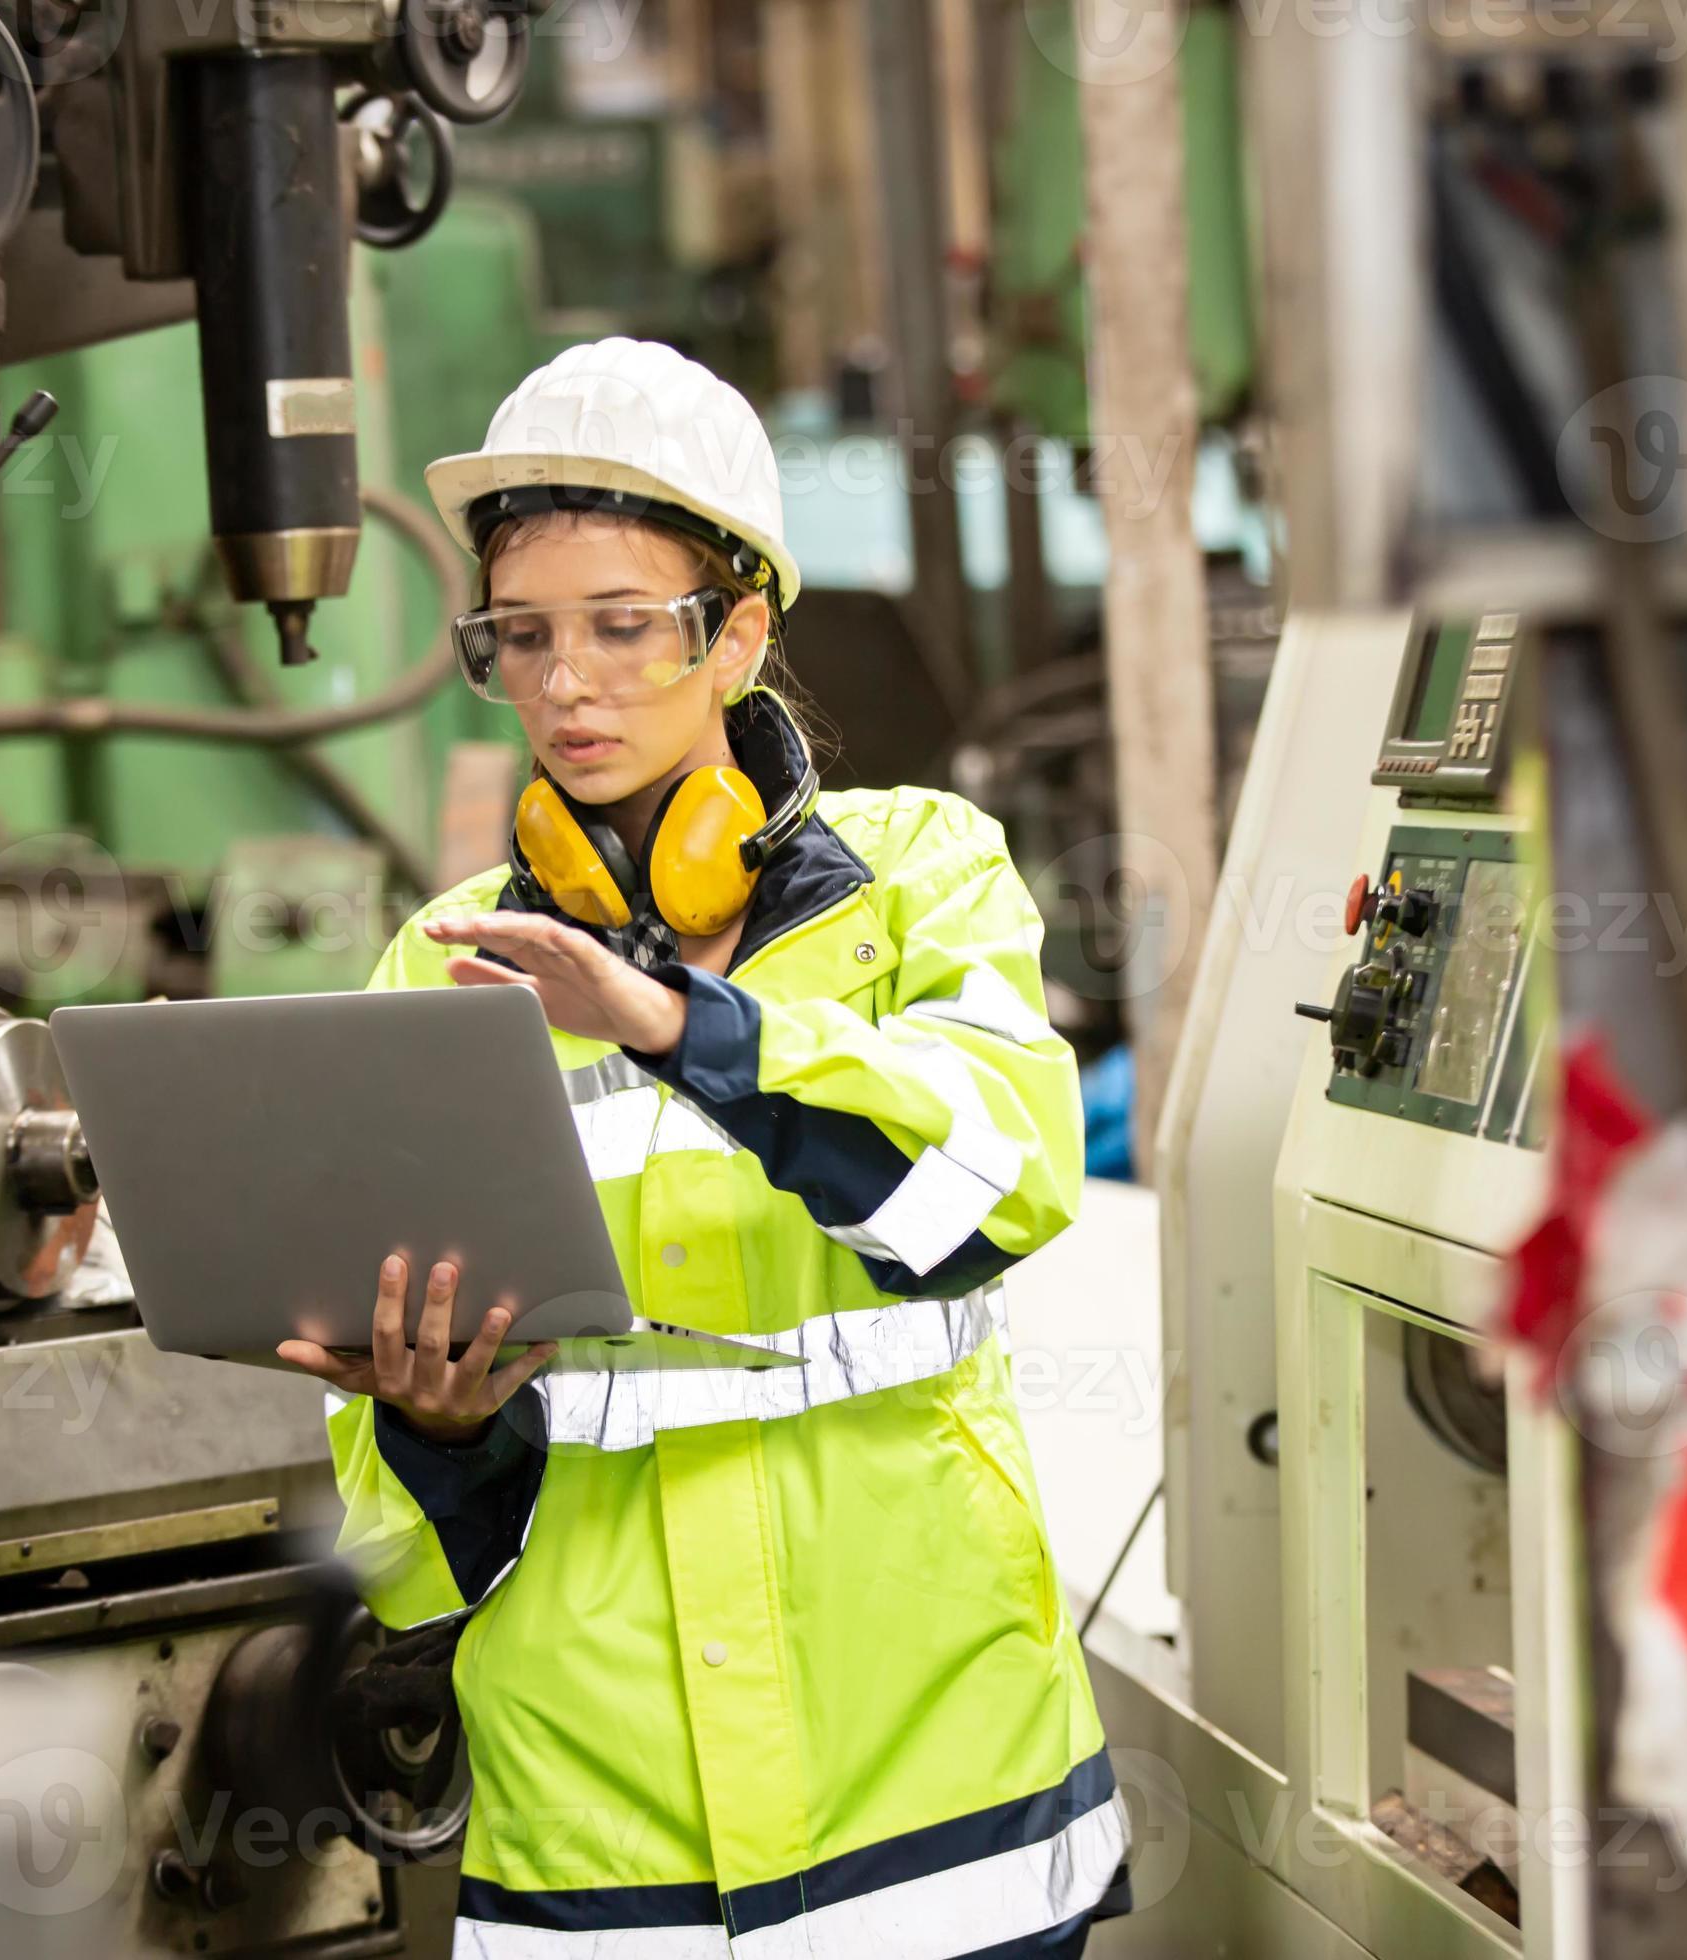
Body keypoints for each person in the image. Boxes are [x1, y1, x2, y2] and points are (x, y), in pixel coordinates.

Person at [278, 338, 1125, 1957]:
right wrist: (438, 1430)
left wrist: (689, 1029)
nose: (564, 684)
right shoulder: (447, 965)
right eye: (519, 638)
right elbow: (401, 1537)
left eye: (621, 629)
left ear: (738, 635)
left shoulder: (922, 878)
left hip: (937, 1807)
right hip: (607, 1848)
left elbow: (994, 1191)